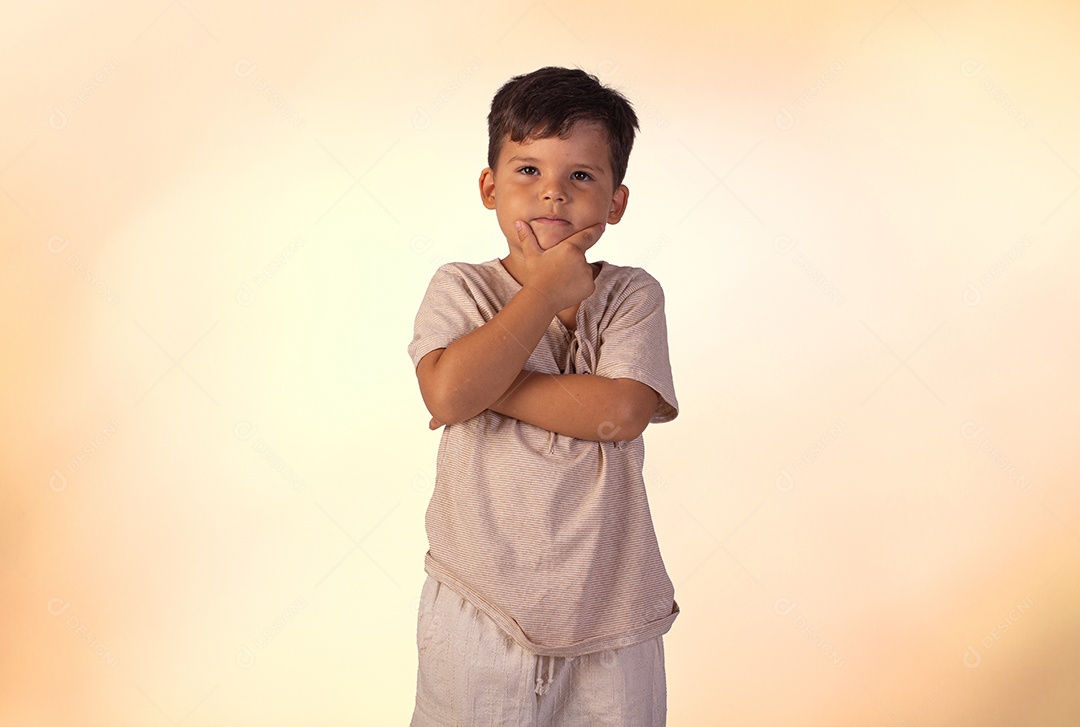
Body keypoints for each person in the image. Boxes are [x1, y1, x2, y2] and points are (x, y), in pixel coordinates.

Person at [407, 66, 679, 727]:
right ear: (489, 186)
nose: (552, 194)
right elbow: (445, 388)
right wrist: (544, 295)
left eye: (580, 176)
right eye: (528, 171)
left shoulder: (630, 295)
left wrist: (480, 387)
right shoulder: (461, 288)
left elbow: (619, 411)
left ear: (615, 201)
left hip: (610, 609)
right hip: (481, 601)